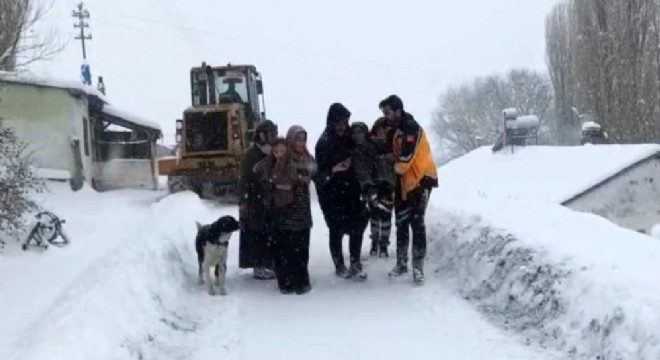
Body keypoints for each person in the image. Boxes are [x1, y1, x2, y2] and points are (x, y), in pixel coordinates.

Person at [380, 95, 438, 284]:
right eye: (384, 113)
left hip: (421, 180)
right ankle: (401, 263)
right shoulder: (394, 130)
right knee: (401, 221)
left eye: (388, 112)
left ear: (398, 110)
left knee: (417, 222)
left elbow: (405, 160)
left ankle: (418, 267)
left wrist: (391, 164)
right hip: (403, 182)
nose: (386, 116)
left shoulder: (411, 128)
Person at [255, 127, 316, 294]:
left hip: (302, 211)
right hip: (284, 211)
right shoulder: (279, 159)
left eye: (303, 139)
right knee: (286, 249)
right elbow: (265, 175)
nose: (301, 143)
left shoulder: (306, 158)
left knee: (302, 249)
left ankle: (302, 281)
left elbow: (313, 171)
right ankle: (286, 282)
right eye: (298, 139)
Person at [313, 103, 368, 280]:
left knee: (356, 227)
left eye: (344, 123)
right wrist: (333, 170)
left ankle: (355, 262)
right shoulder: (323, 143)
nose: (342, 127)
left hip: (352, 190)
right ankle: (339, 264)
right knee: (336, 230)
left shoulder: (350, 138)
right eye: (338, 123)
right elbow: (318, 175)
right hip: (331, 193)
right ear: (331, 123)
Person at [237, 120, 278, 280]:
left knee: (270, 233)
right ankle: (258, 266)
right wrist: (244, 202)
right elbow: (243, 180)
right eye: (271, 134)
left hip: (270, 200)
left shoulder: (274, 152)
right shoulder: (251, 155)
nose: (274, 137)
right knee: (256, 233)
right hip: (255, 201)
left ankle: (269, 263)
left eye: (275, 133)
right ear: (262, 135)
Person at [367, 117, 397, 258]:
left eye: (384, 130)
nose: (382, 133)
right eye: (379, 130)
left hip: (389, 184)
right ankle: (374, 242)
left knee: (386, 216)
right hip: (374, 184)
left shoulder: (393, 144)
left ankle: (384, 244)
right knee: (374, 215)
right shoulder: (370, 145)